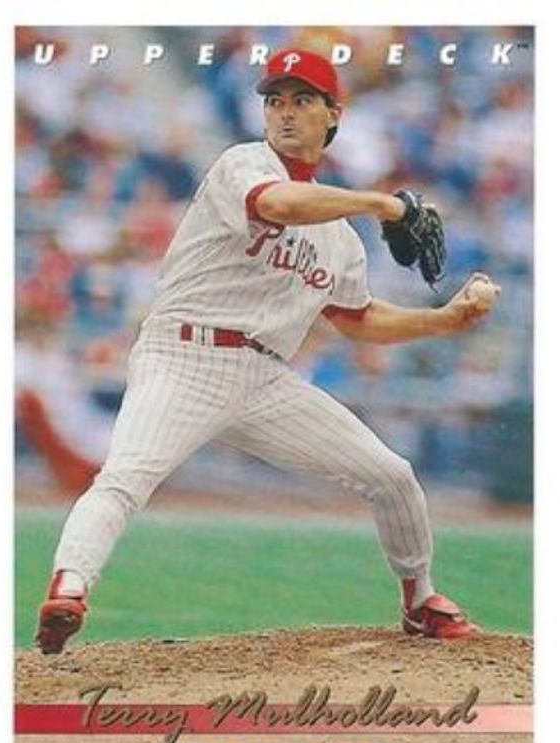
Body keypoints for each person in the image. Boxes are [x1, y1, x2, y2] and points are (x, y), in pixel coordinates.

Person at [36, 48, 494, 654]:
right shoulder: (243, 163)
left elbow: (358, 319)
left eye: (302, 99)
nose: (285, 111)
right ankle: (69, 589)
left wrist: (444, 320)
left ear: (334, 114)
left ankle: (420, 601)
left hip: (263, 378)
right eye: (275, 100)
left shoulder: (339, 240)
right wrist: (382, 203)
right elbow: (277, 205)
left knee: (392, 475)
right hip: (183, 355)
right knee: (125, 477)